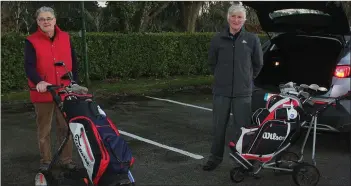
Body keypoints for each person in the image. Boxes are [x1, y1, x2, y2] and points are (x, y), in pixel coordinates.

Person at [203, 4, 263, 171]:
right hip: (221, 91)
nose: (236, 20)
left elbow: (258, 64)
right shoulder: (217, 39)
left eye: (240, 17)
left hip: (243, 93)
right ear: (228, 17)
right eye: (233, 16)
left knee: (242, 129)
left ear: (244, 20)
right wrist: (221, 78)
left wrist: (246, 79)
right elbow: (212, 63)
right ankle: (214, 158)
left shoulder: (252, 39)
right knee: (218, 127)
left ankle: (243, 160)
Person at [24, 6, 79, 171]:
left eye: (48, 18)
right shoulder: (31, 40)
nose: (45, 21)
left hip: (64, 92)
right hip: (43, 93)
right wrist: (39, 81)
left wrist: (74, 82)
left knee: (66, 128)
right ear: (38, 22)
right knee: (44, 130)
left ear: (55, 20)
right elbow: (29, 66)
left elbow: (74, 62)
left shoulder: (66, 37)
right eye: (42, 19)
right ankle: (46, 161)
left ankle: (66, 160)